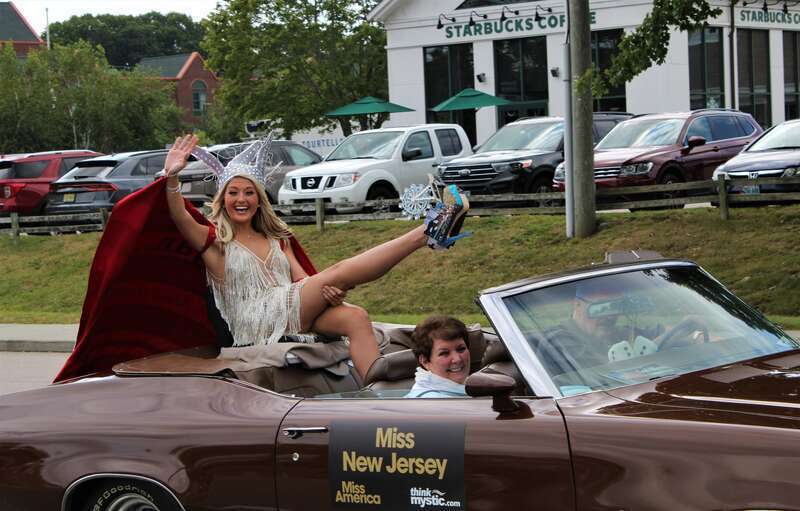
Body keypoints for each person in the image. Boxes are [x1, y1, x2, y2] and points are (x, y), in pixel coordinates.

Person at [164, 134, 469, 379]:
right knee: (337, 272)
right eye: (233, 193)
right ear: (223, 199)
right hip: (253, 322)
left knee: (356, 316)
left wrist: (327, 295)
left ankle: (375, 394)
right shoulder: (216, 242)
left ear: (259, 200)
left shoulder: (276, 239)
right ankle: (427, 233)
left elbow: (304, 283)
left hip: (291, 310)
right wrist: (172, 178)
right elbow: (180, 219)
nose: (241, 199)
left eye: (249, 192)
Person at [406, 315, 471, 398]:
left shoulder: (465, 387)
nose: (457, 359)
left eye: (461, 349)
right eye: (444, 353)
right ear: (425, 361)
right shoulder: (431, 401)